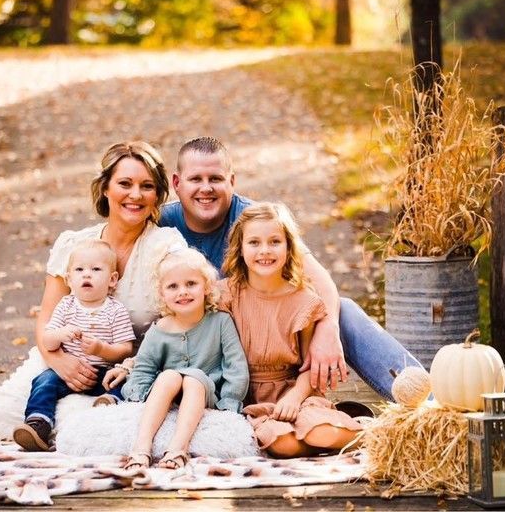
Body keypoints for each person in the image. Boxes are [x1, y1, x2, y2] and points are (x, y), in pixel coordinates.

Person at [0, 142, 189, 441]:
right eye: (124, 183)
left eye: (147, 186)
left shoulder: (166, 246)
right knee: (24, 404)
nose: (135, 195)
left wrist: (132, 366)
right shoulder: (73, 244)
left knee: (96, 423)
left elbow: (179, 325)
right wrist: (60, 361)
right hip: (62, 358)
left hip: (127, 372)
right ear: (105, 189)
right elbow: (47, 319)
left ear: (157, 195)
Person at [158, 137, 421, 401]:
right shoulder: (160, 222)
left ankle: (423, 400)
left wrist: (327, 329)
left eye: (215, 178)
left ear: (232, 181)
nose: (206, 188)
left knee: (342, 310)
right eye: (196, 179)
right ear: (177, 183)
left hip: (266, 334)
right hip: (207, 346)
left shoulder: (253, 220)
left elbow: (321, 281)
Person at [220, 204, 365, 456]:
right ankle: (328, 437)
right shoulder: (226, 295)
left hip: (296, 390)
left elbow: (309, 366)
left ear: (289, 247)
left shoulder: (303, 300)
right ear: (240, 249)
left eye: (274, 241)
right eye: (254, 242)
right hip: (252, 399)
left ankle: (372, 434)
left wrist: (295, 398)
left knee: (317, 432)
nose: (264, 250)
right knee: (282, 443)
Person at [108, 250, 249, 472]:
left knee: (193, 379)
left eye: (191, 283)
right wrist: (138, 394)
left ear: (207, 287)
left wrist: (229, 401)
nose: (182, 292)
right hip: (169, 390)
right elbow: (144, 367)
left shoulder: (221, 322)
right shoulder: (159, 329)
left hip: (206, 391)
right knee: (168, 375)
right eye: (173, 287)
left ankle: (177, 447)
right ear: (162, 294)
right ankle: (141, 445)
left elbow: (236, 367)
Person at [13, 239, 136, 451]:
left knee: (125, 381)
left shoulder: (116, 310)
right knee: (44, 380)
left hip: (103, 372)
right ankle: (38, 422)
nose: (86, 274)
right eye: (79, 270)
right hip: (67, 372)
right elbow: (47, 341)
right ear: (69, 279)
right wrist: (60, 335)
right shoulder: (66, 306)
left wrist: (101, 349)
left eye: (96, 269)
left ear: (112, 279)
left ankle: (109, 402)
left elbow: (125, 348)